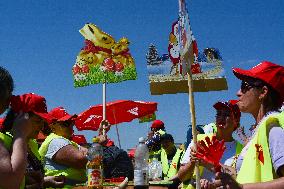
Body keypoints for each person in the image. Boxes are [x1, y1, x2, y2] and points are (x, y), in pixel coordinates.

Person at [200, 61, 284, 189]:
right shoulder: (259, 131)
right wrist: (210, 165)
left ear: (263, 92)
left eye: (244, 86)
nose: (238, 92)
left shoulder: (273, 129)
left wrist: (241, 187)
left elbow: (242, 185)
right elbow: (240, 174)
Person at [178, 100, 243, 189]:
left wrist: (213, 184)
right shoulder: (199, 140)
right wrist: (192, 162)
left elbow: (238, 179)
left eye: (226, 115)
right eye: (219, 114)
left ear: (236, 121)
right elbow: (181, 177)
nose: (221, 117)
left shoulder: (242, 150)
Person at [0, 93, 53, 189]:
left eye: (43, 122)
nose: (41, 126)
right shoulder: (3, 141)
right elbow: (9, 183)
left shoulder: (32, 144)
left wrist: (45, 180)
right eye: (37, 121)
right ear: (20, 118)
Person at [39, 106, 87, 188]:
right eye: (66, 123)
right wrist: (87, 152)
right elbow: (82, 160)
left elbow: (89, 155)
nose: (71, 126)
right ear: (52, 126)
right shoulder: (55, 140)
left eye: (72, 122)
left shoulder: (66, 141)